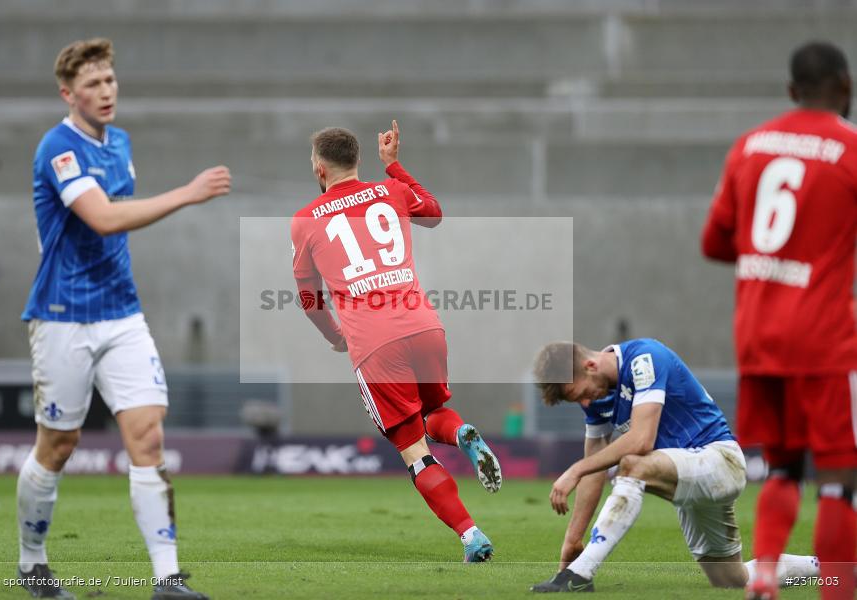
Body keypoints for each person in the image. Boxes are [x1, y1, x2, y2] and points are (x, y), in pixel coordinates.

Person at [18, 38, 230, 599]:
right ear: (68, 94)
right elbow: (105, 219)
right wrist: (187, 193)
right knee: (58, 446)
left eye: (110, 80)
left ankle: (167, 580)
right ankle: (31, 561)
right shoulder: (58, 149)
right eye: (92, 84)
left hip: (122, 314)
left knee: (148, 436)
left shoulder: (121, 143)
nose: (106, 92)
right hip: (62, 316)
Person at [290, 121, 501, 562]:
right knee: (434, 415)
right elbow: (435, 212)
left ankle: (471, 534)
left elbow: (309, 300)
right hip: (424, 326)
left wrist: (335, 336)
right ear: (358, 162)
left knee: (415, 451)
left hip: (374, 343)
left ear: (320, 168)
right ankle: (461, 431)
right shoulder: (391, 191)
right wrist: (395, 166)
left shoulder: (306, 220)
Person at [701, 40, 857, 600]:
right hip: (824, 339)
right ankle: (840, 589)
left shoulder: (750, 146)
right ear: (846, 86)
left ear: (792, 91)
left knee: (784, 467)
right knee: (841, 483)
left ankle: (764, 576)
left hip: (759, 336)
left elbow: (715, 241)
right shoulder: (850, 147)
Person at [529, 339, 819, 593]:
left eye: (581, 393)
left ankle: (582, 575)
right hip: (686, 476)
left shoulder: (644, 358)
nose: (583, 402)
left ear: (591, 365)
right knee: (730, 578)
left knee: (632, 464)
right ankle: (828, 572)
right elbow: (594, 469)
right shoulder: (596, 399)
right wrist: (572, 539)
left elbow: (642, 439)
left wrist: (574, 469)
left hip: (720, 461)